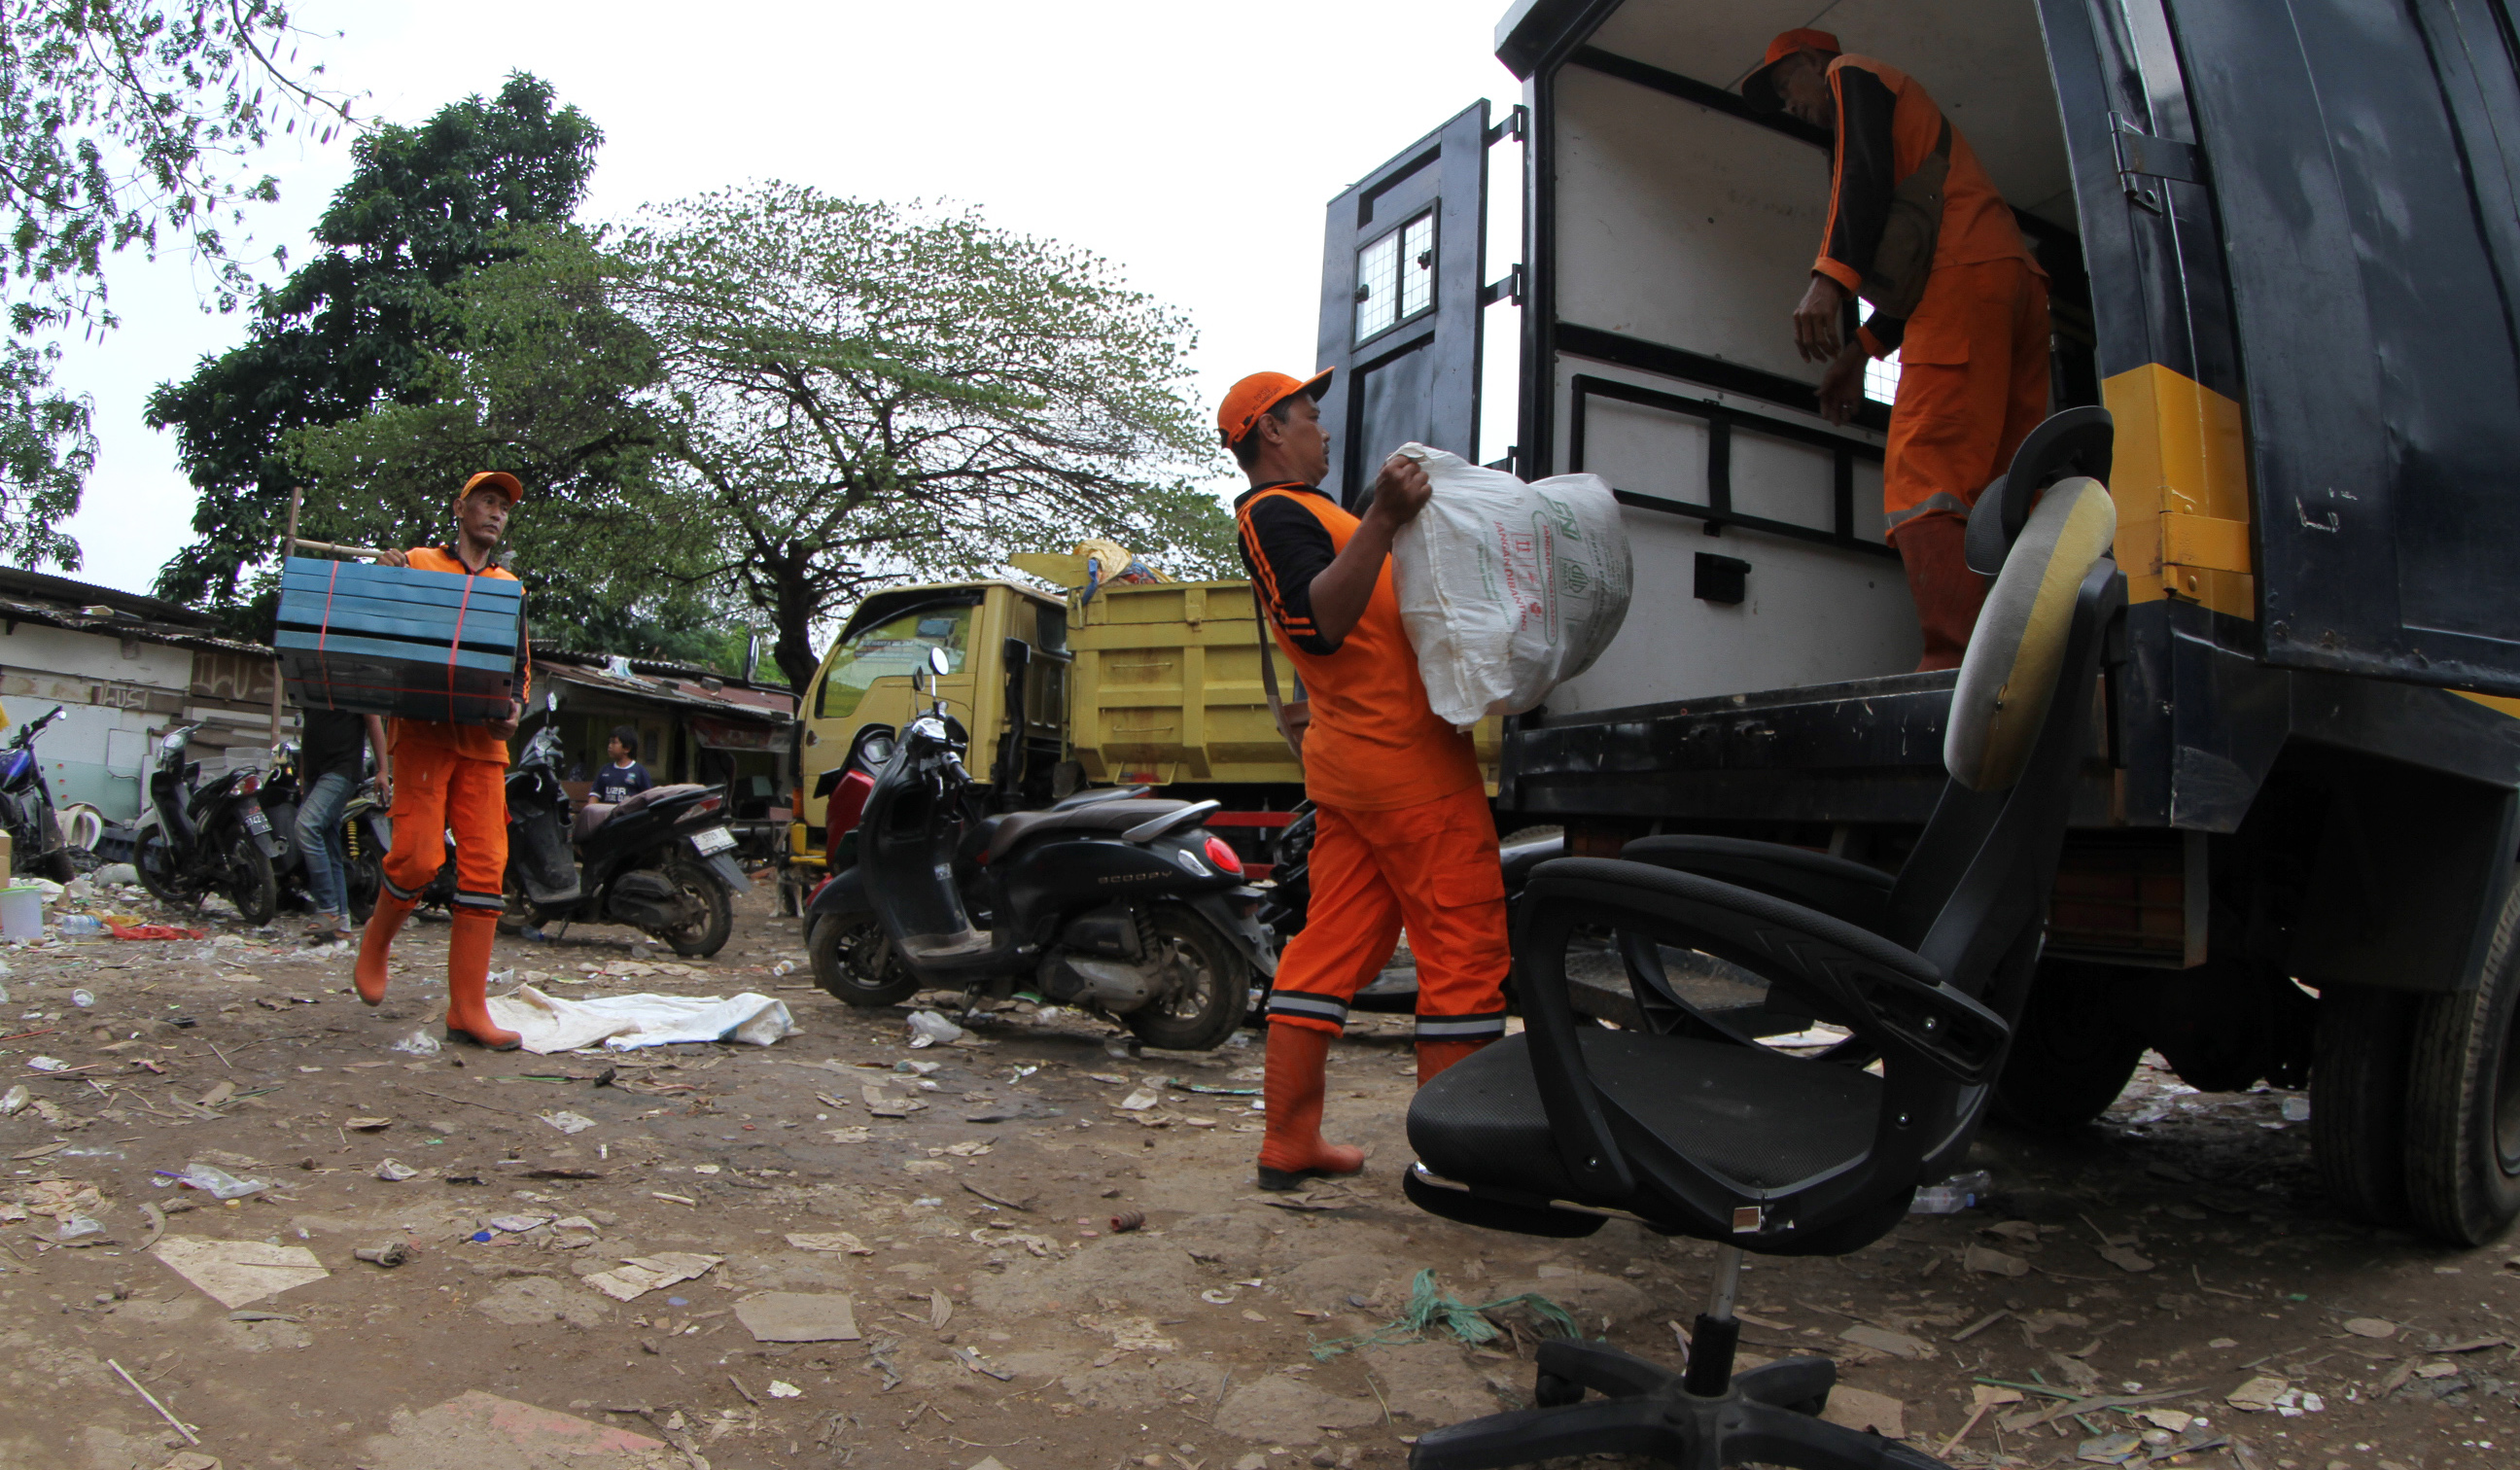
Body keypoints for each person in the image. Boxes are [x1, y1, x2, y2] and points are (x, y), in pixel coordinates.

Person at [1226, 368, 1511, 1192]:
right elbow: (1318, 627)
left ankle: (1290, 1142)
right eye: (1308, 418)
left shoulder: (1312, 513)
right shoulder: (1275, 512)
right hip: (1409, 771)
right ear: (1271, 432)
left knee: (1331, 948)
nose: (1322, 429)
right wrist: (1384, 516)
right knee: (1464, 951)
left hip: (1360, 773)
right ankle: (1464, 1164)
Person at [1743, 28, 2050, 671]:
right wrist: (1858, 354)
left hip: (1964, 275)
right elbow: (1912, 267)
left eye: (1784, 86)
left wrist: (1828, 282)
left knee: (1924, 474)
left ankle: (1954, 666)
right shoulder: (1912, 129)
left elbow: (1863, 179)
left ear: (1810, 62)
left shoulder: (1852, 73)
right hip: (2013, 282)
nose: (1791, 104)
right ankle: (2030, 664)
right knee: (2007, 486)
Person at [352, 471, 532, 1049]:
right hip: (425, 736)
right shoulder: (416, 562)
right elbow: (376, 622)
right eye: (486, 500)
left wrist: (514, 709)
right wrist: (383, 577)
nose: (495, 512)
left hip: (483, 746)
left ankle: (468, 1010)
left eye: (503, 505)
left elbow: (520, 667)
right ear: (460, 509)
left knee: (486, 870)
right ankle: (376, 942)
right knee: (417, 858)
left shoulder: (511, 586)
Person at [294, 708, 390, 944]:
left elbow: (373, 720)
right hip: (316, 774)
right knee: (328, 843)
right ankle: (341, 926)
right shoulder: (313, 682)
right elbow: (309, 726)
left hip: (341, 771)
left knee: (306, 826)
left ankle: (328, 909)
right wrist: (304, 775)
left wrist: (383, 770)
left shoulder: (351, 681)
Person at [589, 726, 652, 806]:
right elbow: (595, 795)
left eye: (614, 742)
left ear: (627, 748)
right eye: (609, 742)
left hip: (628, 816)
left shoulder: (640, 771)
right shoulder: (605, 770)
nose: (609, 746)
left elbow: (649, 797)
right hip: (607, 815)